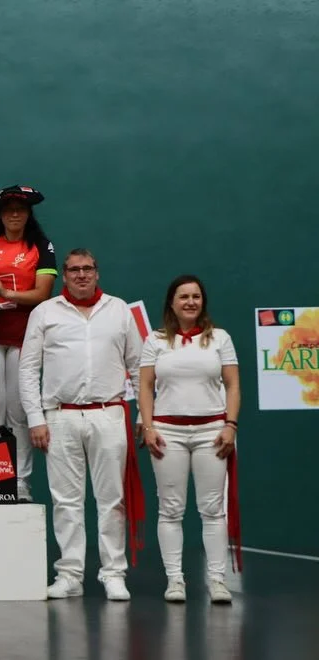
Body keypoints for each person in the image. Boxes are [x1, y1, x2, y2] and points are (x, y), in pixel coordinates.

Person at [18, 248, 143, 601]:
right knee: (66, 501)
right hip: (60, 416)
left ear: (97, 272)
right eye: (74, 270)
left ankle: (113, 573)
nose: (82, 275)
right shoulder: (45, 312)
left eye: (88, 268)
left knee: (112, 500)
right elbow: (28, 369)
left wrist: (143, 415)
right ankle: (70, 574)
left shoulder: (118, 310)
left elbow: (138, 366)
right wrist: (36, 418)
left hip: (109, 413)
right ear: (65, 274)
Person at [138, 275, 240, 604]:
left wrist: (230, 425)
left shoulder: (220, 338)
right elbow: (145, 387)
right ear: (172, 302)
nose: (190, 302)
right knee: (170, 510)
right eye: (183, 296)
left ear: (203, 302)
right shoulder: (155, 341)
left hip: (212, 432)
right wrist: (149, 428)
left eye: (196, 296)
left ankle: (217, 581)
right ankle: (175, 581)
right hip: (168, 434)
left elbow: (233, 385)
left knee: (212, 509)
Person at [0, 185, 58, 501]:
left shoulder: (41, 246)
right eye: (8, 209)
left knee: (19, 412)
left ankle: (19, 481)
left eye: (20, 209)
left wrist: (7, 293)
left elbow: (43, 294)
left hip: (25, 340)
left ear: (28, 213)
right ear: (0, 214)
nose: (14, 214)